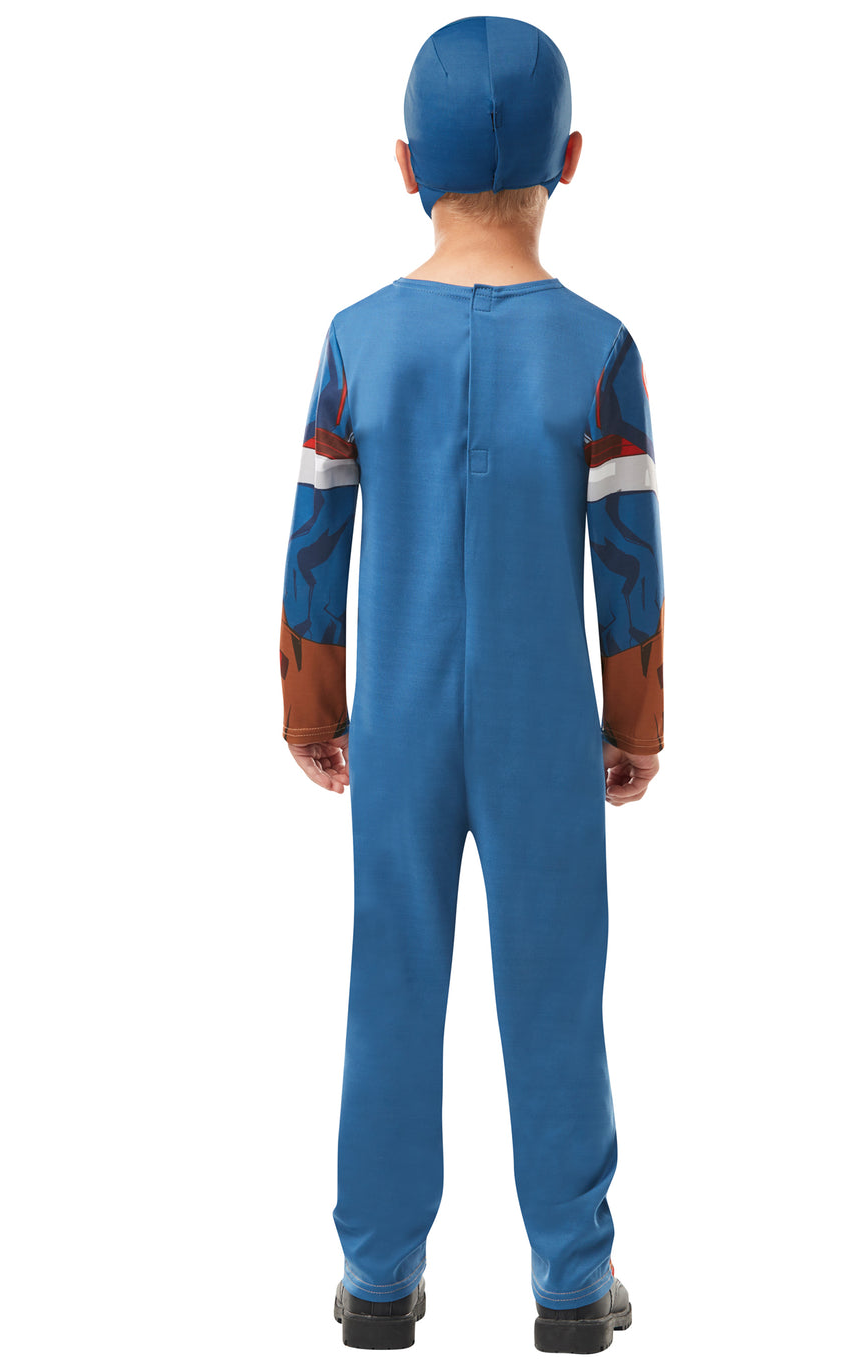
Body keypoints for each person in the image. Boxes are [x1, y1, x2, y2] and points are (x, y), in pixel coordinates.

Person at [278, 16, 664, 1354]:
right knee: (556, 991)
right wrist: (636, 723)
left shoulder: (356, 340)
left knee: (391, 979)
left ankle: (378, 1279)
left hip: (393, 719)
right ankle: (572, 1283)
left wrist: (311, 706)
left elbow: (316, 538)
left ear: (404, 164)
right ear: (573, 157)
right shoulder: (600, 348)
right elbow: (628, 557)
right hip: (543, 723)